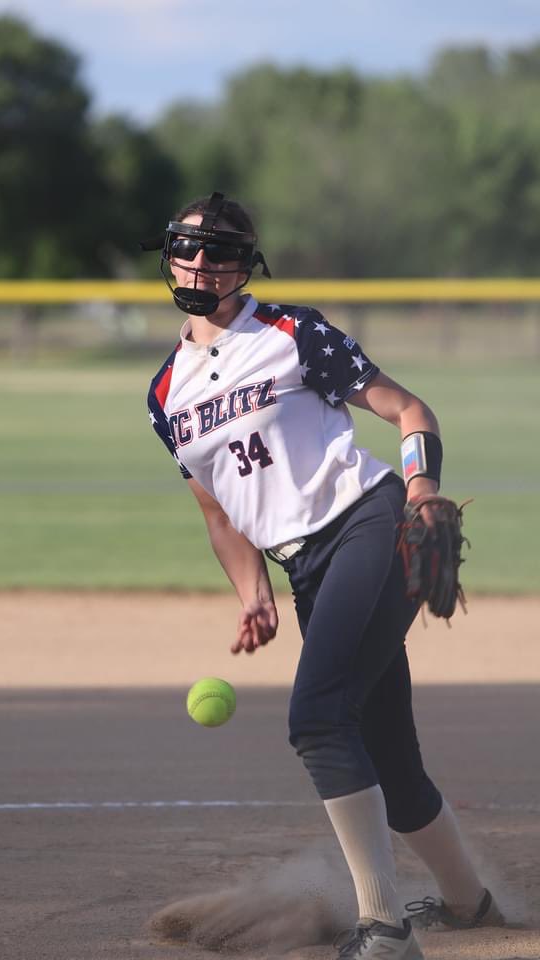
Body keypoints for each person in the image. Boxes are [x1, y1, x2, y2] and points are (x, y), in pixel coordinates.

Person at [144, 192, 505, 959]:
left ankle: (383, 930)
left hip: (370, 523)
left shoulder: (289, 331)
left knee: (316, 718)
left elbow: (408, 410)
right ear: (169, 253)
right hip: (306, 567)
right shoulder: (165, 394)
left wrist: (421, 490)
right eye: (189, 248)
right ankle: (470, 904)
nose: (202, 264)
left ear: (247, 266)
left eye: (220, 252)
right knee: (393, 767)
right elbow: (217, 511)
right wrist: (254, 593)